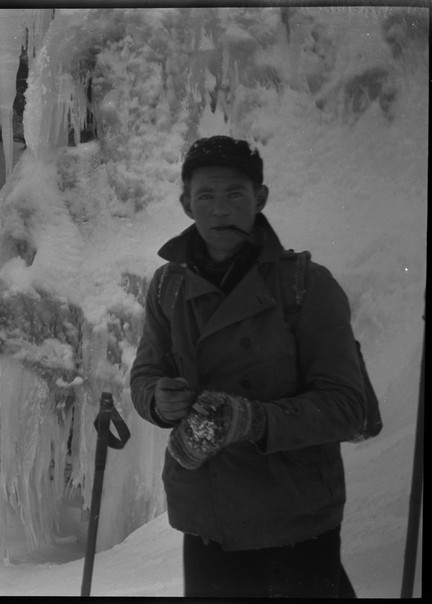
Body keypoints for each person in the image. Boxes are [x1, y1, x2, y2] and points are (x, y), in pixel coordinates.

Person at [130, 135, 366, 598]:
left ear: (260, 198)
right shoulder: (166, 287)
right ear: (186, 204)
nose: (220, 210)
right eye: (206, 196)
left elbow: (346, 407)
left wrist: (252, 420)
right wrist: (158, 400)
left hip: (296, 517)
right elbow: (145, 375)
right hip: (207, 516)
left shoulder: (307, 286)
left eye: (235, 194)